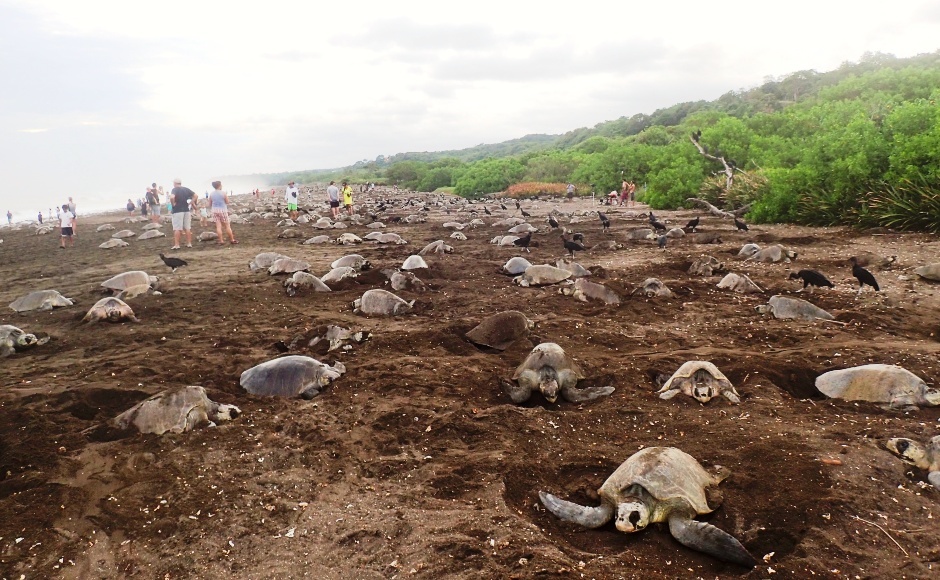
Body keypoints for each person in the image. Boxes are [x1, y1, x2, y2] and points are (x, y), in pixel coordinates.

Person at [169, 178, 196, 249]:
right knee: (187, 228)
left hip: (177, 210)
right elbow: (195, 196)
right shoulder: (186, 189)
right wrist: (191, 202)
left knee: (177, 228)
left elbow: (172, 197)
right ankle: (189, 243)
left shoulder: (174, 189)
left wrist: (173, 204)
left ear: (175, 183)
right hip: (186, 210)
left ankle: (177, 245)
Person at [209, 180, 238, 245]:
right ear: (219, 185)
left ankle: (221, 240)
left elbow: (210, 203)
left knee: (218, 226)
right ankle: (232, 239)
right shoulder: (223, 193)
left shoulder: (211, 194)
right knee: (227, 226)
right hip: (222, 210)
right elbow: (227, 202)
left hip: (214, 210)